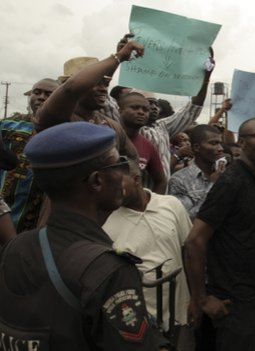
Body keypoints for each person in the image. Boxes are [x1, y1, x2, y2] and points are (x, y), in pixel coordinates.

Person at [0, 122, 159, 349]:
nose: (125, 172)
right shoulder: (109, 269)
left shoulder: (17, 245)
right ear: (97, 181)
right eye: (118, 164)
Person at [185, 118, 255, 351]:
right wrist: (202, 298)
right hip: (233, 301)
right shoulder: (231, 181)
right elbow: (195, 240)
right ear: (243, 143)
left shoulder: (253, 179)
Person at [103, 159, 193, 349]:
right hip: (137, 321)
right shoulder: (106, 222)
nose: (113, 190)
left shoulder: (171, 205)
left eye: (118, 183)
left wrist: (196, 299)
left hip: (179, 313)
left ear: (136, 179)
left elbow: (188, 252)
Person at [35, 48, 140, 160]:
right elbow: (71, 88)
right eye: (97, 83)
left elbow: (133, 158)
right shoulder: (56, 118)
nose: (103, 89)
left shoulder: (112, 126)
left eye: (105, 84)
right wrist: (118, 56)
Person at [0, 78, 59, 233]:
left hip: (37, 221)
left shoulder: (64, 131)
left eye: (48, 93)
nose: (41, 97)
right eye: (37, 92)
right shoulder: (9, 125)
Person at [169, 125, 225, 220]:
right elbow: (186, 219)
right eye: (214, 143)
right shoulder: (179, 180)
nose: (220, 148)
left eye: (220, 143)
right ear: (196, 147)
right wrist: (213, 186)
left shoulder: (225, 174)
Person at [117, 92, 167, 194]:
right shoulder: (106, 137)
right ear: (120, 110)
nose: (141, 112)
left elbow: (161, 180)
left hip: (131, 208)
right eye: (135, 108)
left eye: (145, 110)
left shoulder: (148, 146)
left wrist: (151, 204)